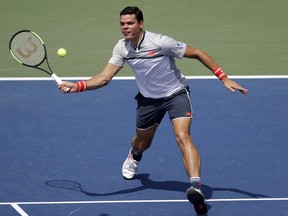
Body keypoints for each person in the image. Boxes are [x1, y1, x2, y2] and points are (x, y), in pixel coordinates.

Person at [58, 6, 248, 215]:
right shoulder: (122, 48)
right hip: (148, 101)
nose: (125, 27)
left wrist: (224, 77)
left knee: (182, 136)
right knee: (142, 142)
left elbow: (198, 53)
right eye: (122, 24)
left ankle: (196, 186)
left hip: (176, 94)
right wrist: (78, 86)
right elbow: (104, 78)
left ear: (141, 24)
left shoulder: (160, 42)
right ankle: (135, 153)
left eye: (130, 23)